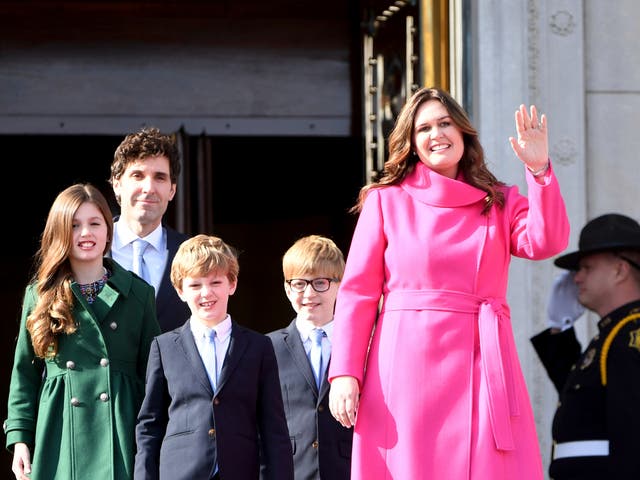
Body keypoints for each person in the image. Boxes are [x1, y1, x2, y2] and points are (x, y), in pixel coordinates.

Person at [327, 86, 570, 480]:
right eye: (424, 128)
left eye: (444, 123)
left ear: (463, 133)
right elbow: (357, 293)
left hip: (481, 356)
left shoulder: (499, 201)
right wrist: (345, 374)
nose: (436, 134)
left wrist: (540, 171)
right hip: (405, 364)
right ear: (412, 142)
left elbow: (547, 241)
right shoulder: (386, 201)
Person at [4, 183, 160, 480]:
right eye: (74, 225)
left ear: (108, 231)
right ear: (60, 232)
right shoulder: (39, 296)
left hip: (121, 432)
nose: (86, 233)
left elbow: (152, 376)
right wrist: (20, 438)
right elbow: (24, 373)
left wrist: (152, 442)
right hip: (60, 434)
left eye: (94, 223)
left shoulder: (138, 294)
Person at [134, 234, 294, 480]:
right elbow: (149, 427)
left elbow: (274, 429)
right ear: (180, 291)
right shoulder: (163, 347)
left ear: (232, 284)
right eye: (195, 285)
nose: (206, 293)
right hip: (180, 472)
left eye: (215, 282)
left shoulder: (259, 347)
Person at [531, 213, 640, 479]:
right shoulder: (612, 333)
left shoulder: (631, 335)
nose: (577, 278)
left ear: (619, 270)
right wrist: (559, 329)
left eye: (586, 268)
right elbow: (580, 403)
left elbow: (633, 432)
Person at [265, 235, 353, 479]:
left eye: (320, 283)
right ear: (287, 288)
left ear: (340, 285)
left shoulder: (363, 347)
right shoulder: (266, 348)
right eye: (299, 284)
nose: (309, 293)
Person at [109, 126, 191, 332]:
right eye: (137, 175)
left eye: (160, 177)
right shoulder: (88, 246)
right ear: (117, 184)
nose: (149, 188)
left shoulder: (190, 253)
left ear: (172, 190)